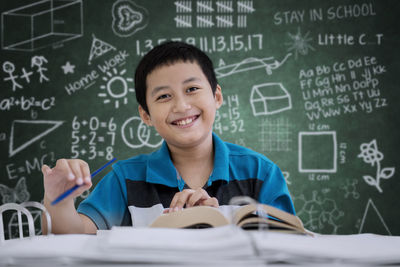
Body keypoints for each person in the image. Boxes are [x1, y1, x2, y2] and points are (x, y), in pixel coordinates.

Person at [42, 41, 295, 234]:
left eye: (192, 89)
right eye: (164, 96)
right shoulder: (125, 179)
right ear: (146, 114)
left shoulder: (261, 173)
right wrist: (58, 200)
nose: (182, 106)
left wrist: (218, 225)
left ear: (217, 96)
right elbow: (75, 235)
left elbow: (288, 247)